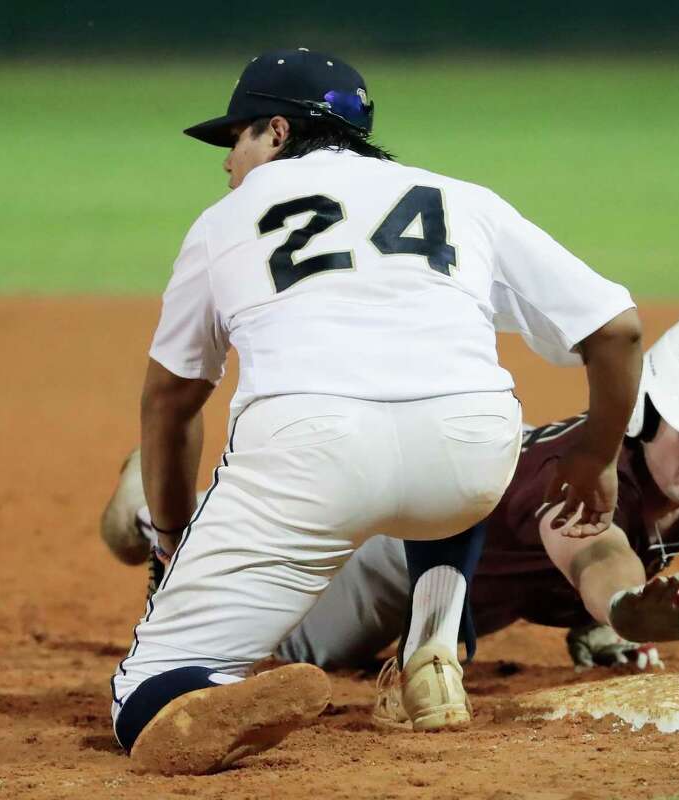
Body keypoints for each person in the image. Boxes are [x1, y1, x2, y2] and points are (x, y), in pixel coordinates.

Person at [108, 47, 641, 774]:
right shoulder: (463, 200)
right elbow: (617, 330)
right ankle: (434, 652)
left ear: (277, 131)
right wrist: (596, 453)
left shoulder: (224, 220)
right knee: (449, 407)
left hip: (311, 453)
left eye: (236, 138)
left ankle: (192, 691)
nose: (228, 162)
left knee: (143, 692)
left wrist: (172, 537)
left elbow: (172, 401)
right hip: (469, 457)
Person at [106, 316, 679, 732]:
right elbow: (594, 551)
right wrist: (622, 605)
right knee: (297, 650)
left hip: (444, 561)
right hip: (392, 558)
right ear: (647, 413)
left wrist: (596, 624)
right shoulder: (579, 476)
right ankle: (154, 504)